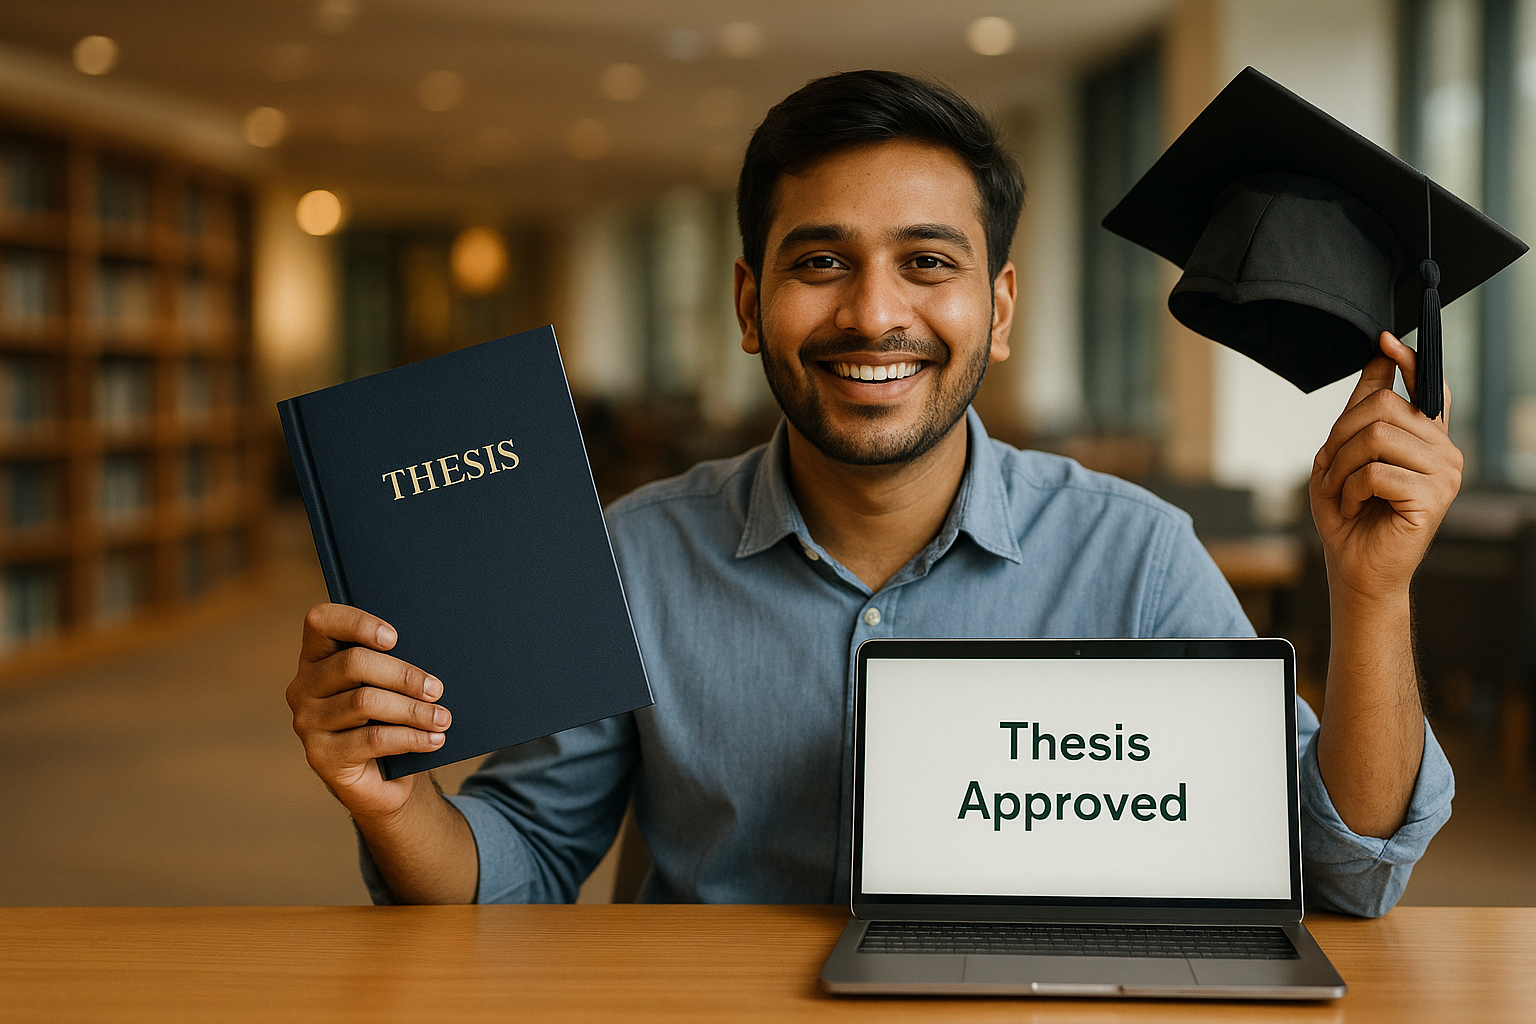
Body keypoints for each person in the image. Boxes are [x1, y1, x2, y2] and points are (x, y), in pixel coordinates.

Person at [286, 70, 1456, 917]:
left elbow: (1341, 869)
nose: (874, 313)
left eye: (928, 262)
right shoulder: (632, 556)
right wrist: (387, 797)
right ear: (751, 305)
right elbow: (523, 866)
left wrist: (1373, 594)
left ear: (997, 310)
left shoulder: (1135, 555)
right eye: (820, 260)